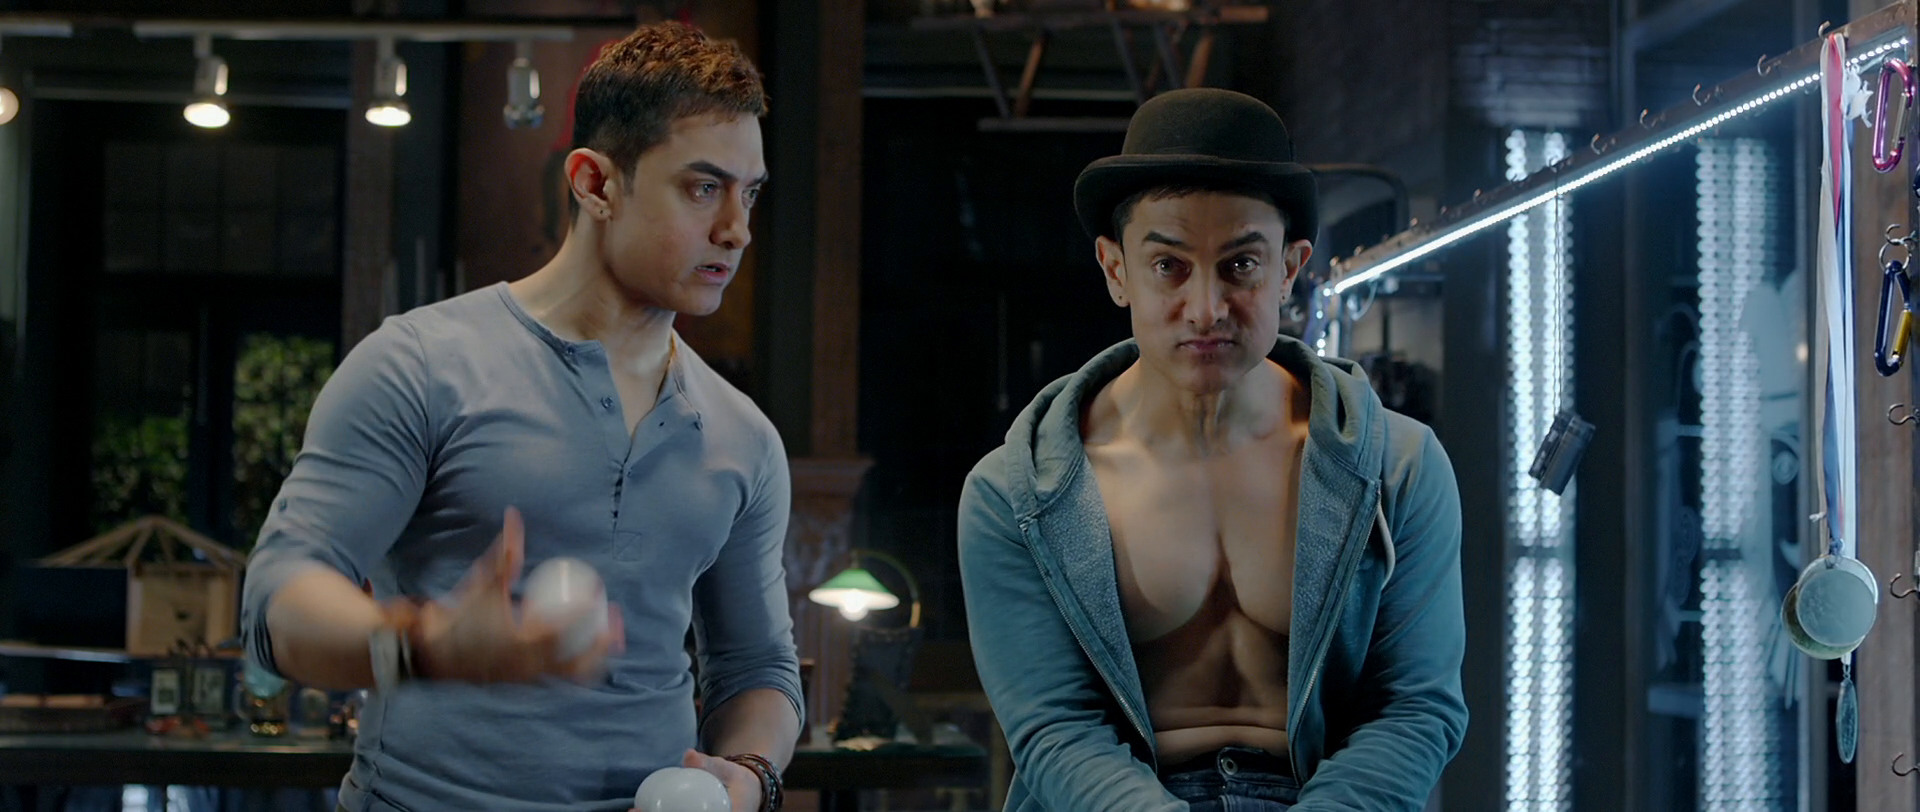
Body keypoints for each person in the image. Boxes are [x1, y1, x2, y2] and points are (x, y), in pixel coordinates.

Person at [241, 21, 800, 812]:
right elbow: (277, 607)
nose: (735, 230)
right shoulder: (419, 365)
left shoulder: (746, 438)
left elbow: (758, 669)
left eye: (751, 194)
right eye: (703, 188)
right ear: (595, 183)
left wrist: (749, 774)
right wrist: (424, 646)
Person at [956, 88, 1468, 811]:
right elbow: (1055, 729)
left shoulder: (1399, 467)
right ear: (1115, 269)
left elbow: (1415, 708)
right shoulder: (1014, 493)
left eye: (1240, 265)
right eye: (1168, 266)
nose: (1205, 309)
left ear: (1289, 268)